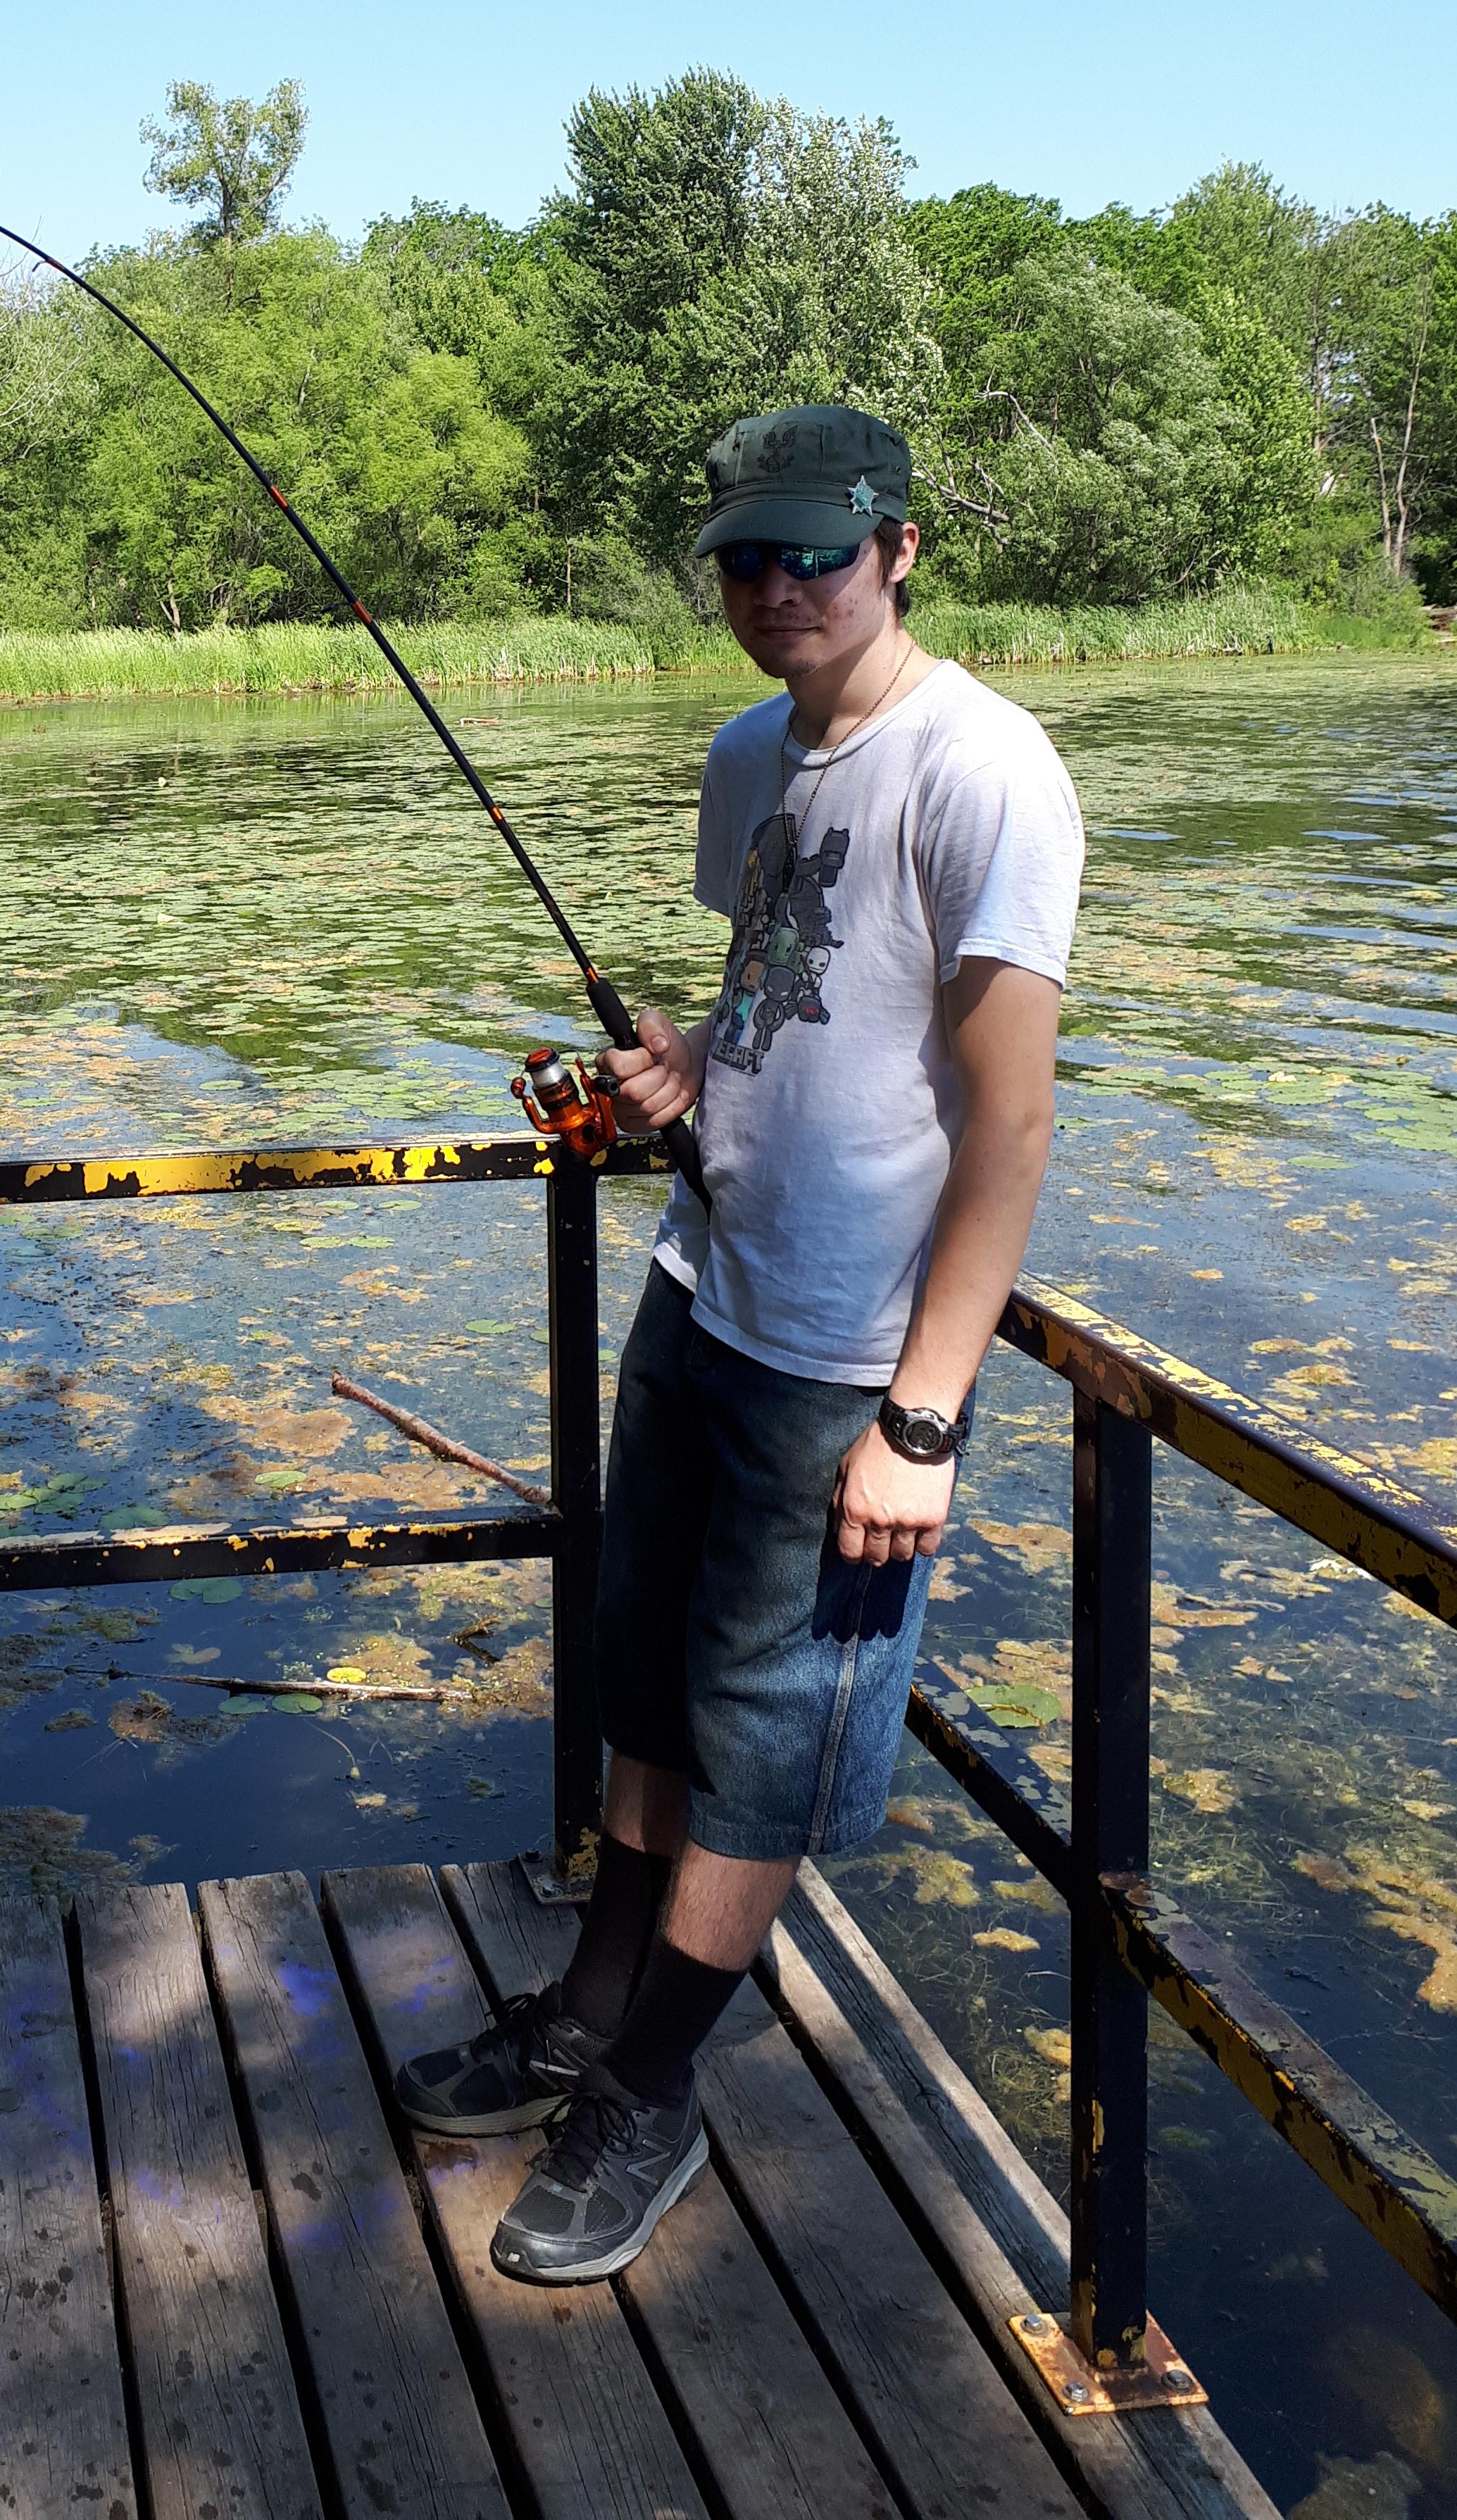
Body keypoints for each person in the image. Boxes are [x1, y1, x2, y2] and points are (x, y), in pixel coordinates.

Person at [396, 404, 1084, 2286]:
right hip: (702, 1286)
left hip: (846, 1357)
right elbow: (773, 1008)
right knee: (647, 1691)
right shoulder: (748, 756)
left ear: (901, 550)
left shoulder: (986, 771)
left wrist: (922, 1417)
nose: (775, 587)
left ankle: (658, 2086)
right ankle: (586, 2021)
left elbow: (1010, 1122)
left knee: (767, 1743)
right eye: (744, 558)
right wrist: (673, 1084)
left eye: (816, 552)